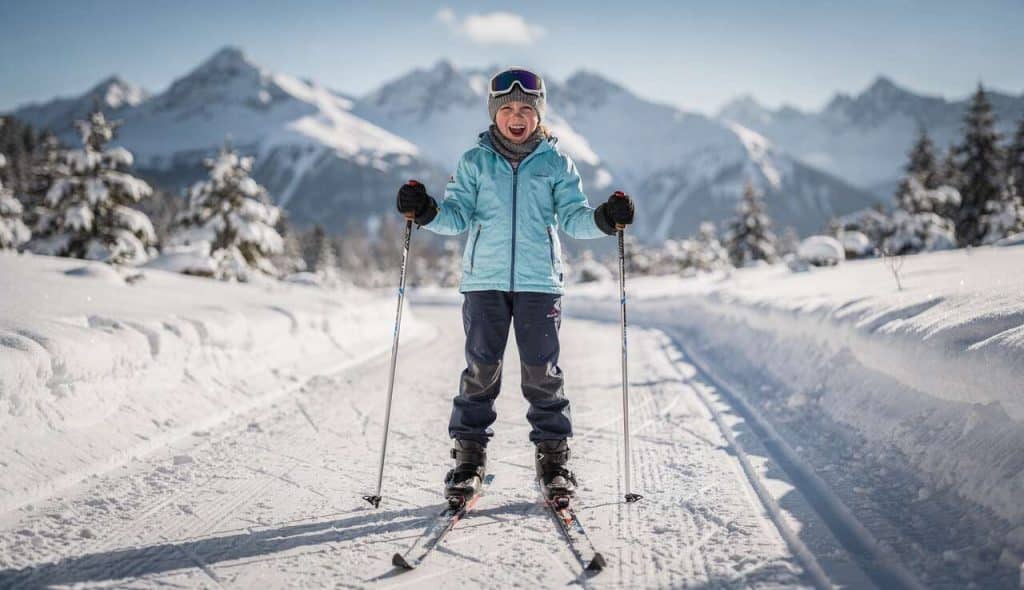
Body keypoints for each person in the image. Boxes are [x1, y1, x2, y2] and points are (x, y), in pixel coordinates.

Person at [396, 67, 635, 502]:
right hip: (483, 282)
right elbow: (456, 217)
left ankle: (554, 458)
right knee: (481, 370)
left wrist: (603, 219)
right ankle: (468, 457)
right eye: (507, 108)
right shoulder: (474, 161)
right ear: (494, 113)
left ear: (539, 114)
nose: (517, 115)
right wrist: (427, 210)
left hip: (539, 283)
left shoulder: (556, 163)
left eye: (527, 108)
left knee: (541, 372)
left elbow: (575, 219)